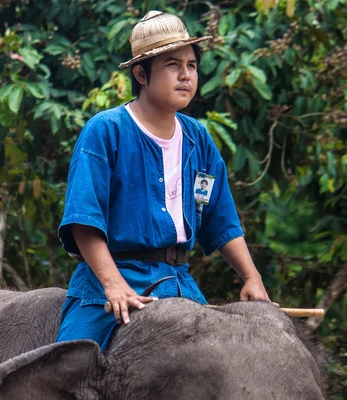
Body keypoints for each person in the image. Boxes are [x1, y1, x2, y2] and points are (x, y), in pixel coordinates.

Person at [56, 10, 273, 351]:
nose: (186, 75)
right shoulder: (106, 130)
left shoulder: (198, 139)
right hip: (112, 279)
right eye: (173, 65)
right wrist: (114, 286)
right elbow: (83, 219)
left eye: (192, 65)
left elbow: (221, 219)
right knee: (65, 368)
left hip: (179, 282)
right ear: (141, 74)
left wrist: (251, 277)